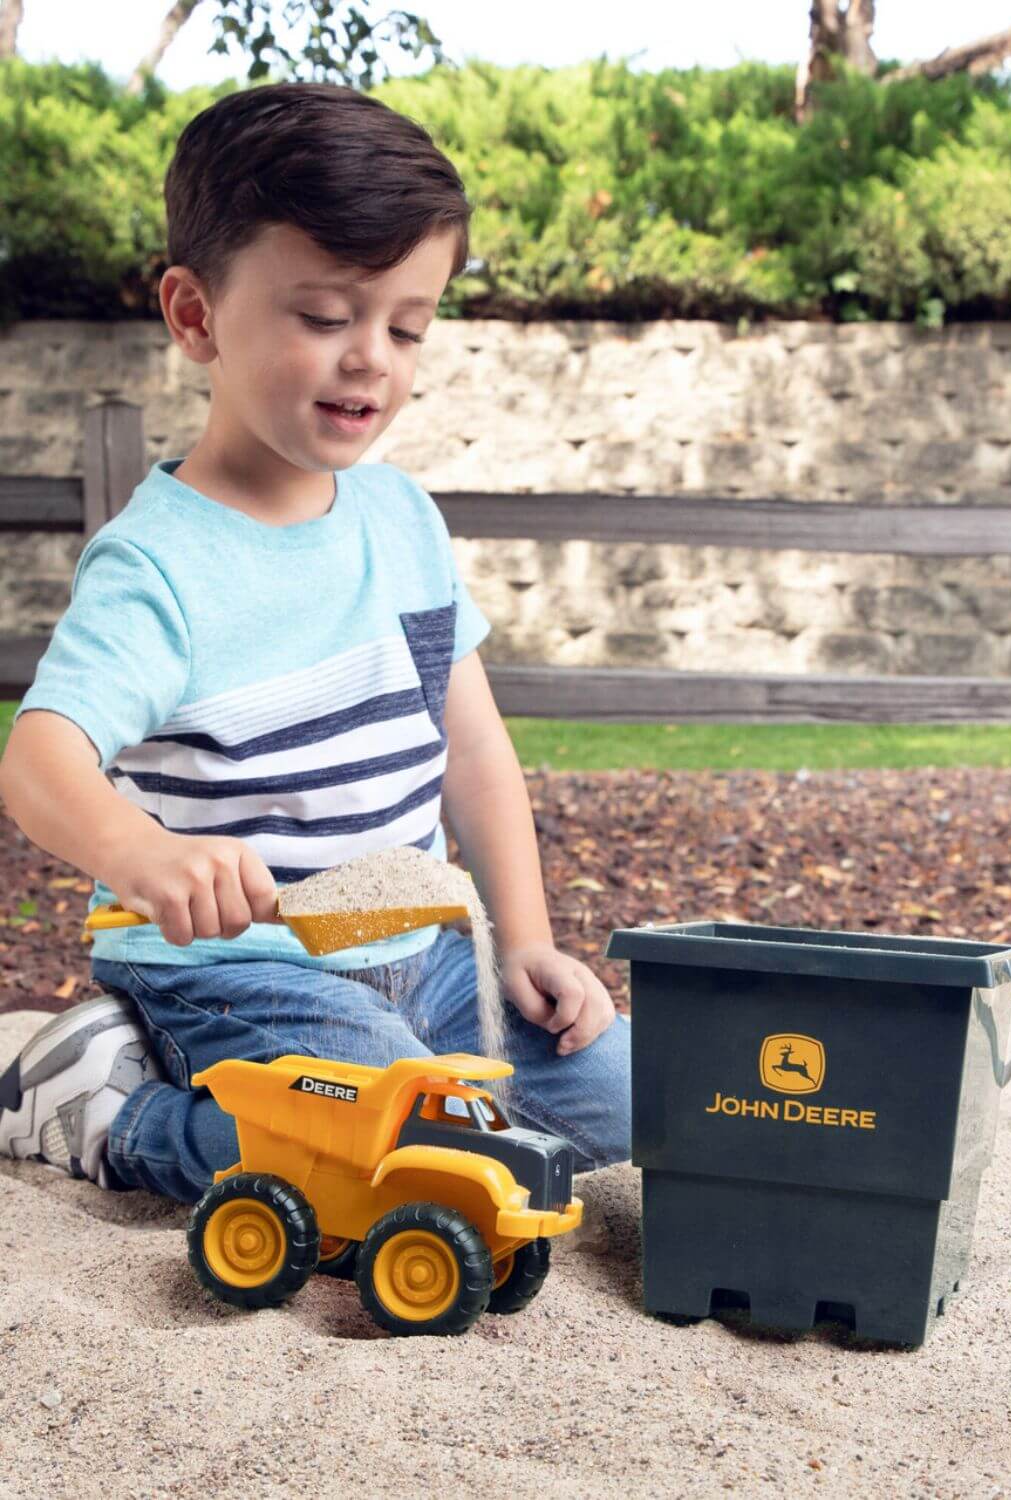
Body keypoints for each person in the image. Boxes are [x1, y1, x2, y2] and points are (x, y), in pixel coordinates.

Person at [0, 81, 631, 1207]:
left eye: (405, 325)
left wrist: (526, 942)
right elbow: (38, 756)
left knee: (637, 1108)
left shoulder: (402, 521)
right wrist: (144, 858)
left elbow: (473, 750)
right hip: (242, 969)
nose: (371, 360)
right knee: (417, 1162)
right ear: (195, 315)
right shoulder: (159, 568)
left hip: (429, 955)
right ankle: (108, 1102)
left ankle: (415, 1081)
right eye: (325, 317)